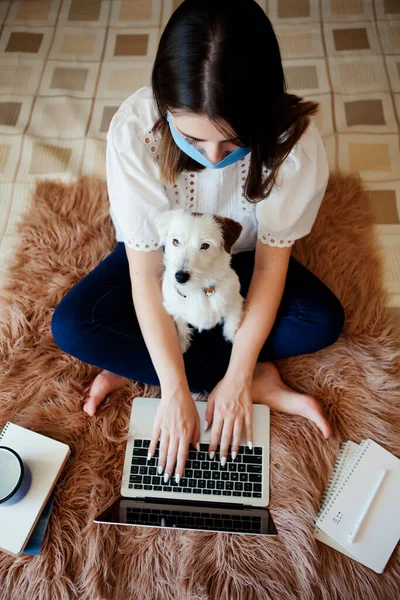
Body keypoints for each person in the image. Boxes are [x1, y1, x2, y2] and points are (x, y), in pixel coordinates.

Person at [51, 0, 345, 487]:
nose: (212, 159)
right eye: (193, 139)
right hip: (167, 264)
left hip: (239, 260)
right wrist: (174, 389)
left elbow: (271, 269)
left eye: (232, 145)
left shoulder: (294, 145)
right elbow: (146, 274)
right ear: (167, 110)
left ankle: (176, 367)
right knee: (73, 326)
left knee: (322, 320)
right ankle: (249, 379)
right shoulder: (135, 132)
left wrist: (235, 374)